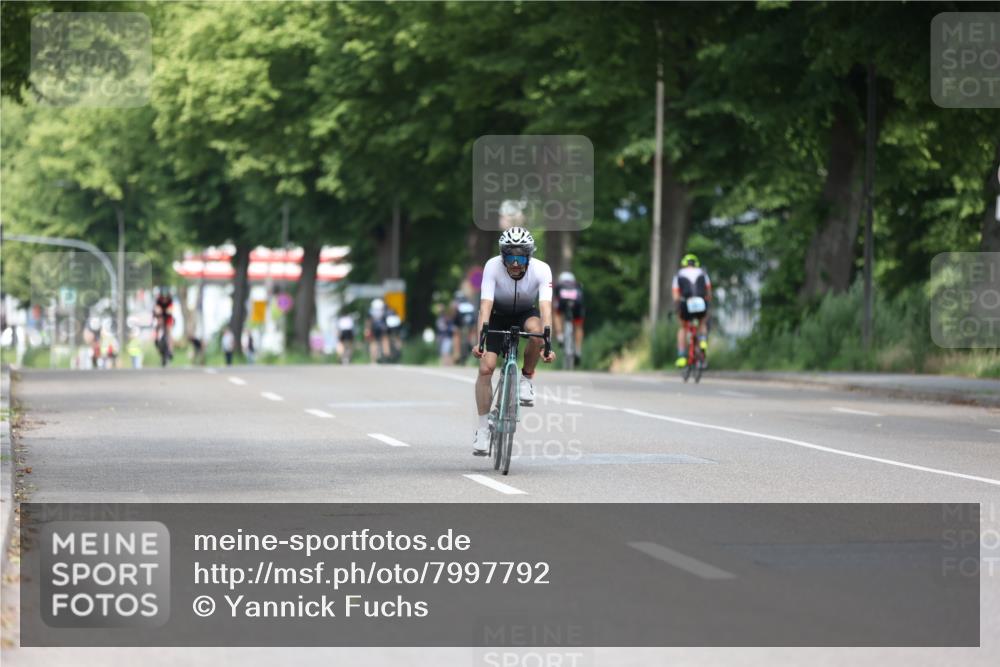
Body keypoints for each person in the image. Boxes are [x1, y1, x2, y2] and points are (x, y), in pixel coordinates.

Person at [471, 227, 556, 455]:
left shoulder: (542, 269)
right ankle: (482, 430)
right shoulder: (492, 266)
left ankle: (526, 379)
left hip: (525, 313)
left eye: (521, 257)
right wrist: (481, 341)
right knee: (486, 368)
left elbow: (546, 309)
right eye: (510, 257)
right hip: (497, 315)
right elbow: (485, 307)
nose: (515, 263)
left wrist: (547, 344)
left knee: (537, 332)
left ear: (529, 256)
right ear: (503, 257)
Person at [672, 253, 712, 368]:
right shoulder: (703, 273)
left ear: (684, 264)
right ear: (696, 263)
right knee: (702, 323)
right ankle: (703, 341)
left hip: (686, 304)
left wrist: (677, 308)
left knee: (683, 328)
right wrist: (707, 303)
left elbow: (676, 295)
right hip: (701, 302)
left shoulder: (679, 274)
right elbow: (709, 292)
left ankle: (681, 356)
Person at [553, 271, 585, 367]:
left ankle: (560, 335)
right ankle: (578, 350)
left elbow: (555, 298)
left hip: (563, 302)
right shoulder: (577, 285)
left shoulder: (559, 285)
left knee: (557, 314)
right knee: (578, 326)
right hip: (577, 305)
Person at [152, 288, 175, 361]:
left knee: (169, 332)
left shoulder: (170, 300)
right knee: (158, 326)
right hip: (161, 316)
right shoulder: (159, 300)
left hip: (168, 318)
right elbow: (156, 309)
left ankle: (170, 349)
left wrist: (169, 311)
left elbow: (171, 309)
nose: (164, 299)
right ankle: (157, 340)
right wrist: (157, 312)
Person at [365, 298, 390, 363]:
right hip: (382, 327)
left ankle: (373, 360)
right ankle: (385, 357)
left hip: (374, 327)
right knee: (384, 340)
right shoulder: (384, 310)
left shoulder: (371, 311)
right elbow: (387, 318)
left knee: (373, 343)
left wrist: (367, 329)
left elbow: (368, 320)